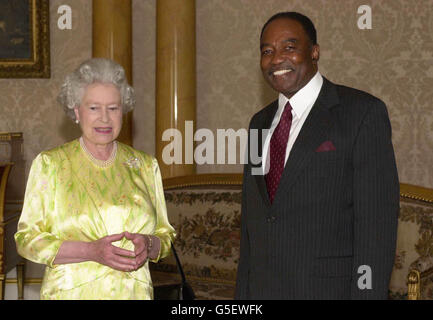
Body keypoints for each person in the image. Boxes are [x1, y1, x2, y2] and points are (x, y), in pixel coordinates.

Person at [235, 12, 399, 299]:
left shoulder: (361, 113)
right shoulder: (259, 123)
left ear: (314, 52)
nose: (276, 59)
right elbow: (253, 224)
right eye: (267, 51)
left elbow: (376, 229)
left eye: (289, 47)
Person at [15, 58, 175, 300]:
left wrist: (149, 245)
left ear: (123, 111)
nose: (105, 118)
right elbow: (27, 240)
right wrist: (91, 251)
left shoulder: (145, 165)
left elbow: (165, 235)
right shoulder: (50, 164)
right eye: (94, 108)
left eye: (113, 108)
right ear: (77, 111)